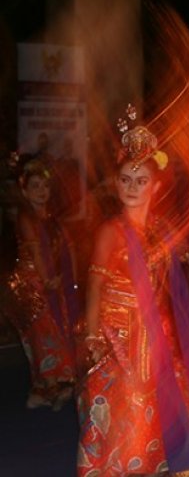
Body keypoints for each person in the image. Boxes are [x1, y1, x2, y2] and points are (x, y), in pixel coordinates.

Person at [76, 114, 189, 477]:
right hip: (118, 334)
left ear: (155, 188)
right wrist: (93, 336)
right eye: (125, 179)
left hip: (158, 333)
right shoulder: (110, 231)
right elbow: (95, 286)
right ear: (115, 184)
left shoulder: (162, 230)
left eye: (141, 181)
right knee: (123, 403)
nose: (132, 187)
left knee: (166, 400)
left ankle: (156, 463)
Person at [7, 158, 78, 411]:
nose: (41, 191)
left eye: (45, 186)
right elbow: (36, 253)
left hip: (49, 281)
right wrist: (47, 280)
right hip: (31, 286)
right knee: (44, 335)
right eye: (35, 186)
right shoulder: (27, 218)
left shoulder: (52, 219)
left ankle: (45, 389)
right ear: (25, 191)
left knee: (54, 330)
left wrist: (67, 281)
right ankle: (51, 387)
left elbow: (67, 250)